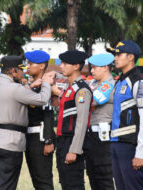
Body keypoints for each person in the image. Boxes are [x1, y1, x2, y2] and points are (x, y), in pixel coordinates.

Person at [0, 55, 53, 190]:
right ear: (13, 71)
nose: (23, 73)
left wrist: (31, 85)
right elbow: (42, 99)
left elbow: (13, 95)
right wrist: (45, 83)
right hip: (10, 143)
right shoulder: (15, 88)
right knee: (6, 184)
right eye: (21, 70)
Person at [107, 40, 143, 190]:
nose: (115, 57)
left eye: (119, 54)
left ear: (131, 57)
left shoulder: (139, 82)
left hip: (130, 145)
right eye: (115, 54)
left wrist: (140, 151)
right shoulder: (120, 81)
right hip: (116, 142)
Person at [52, 50, 92, 190]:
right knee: (66, 183)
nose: (61, 66)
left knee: (74, 184)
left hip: (72, 142)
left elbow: (82, 122)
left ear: (76, 66)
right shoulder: (71, 88)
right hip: (63, 141)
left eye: (64, 63)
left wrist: (74, 150)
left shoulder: (81, 90)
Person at [25, 50, 55, 190]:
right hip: (30, 137)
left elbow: (48, 112)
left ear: (42, 66)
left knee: (43, 181)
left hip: (41, 137)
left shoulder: (46, 86)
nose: (27, 66)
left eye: (31, 63)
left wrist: (48, 140)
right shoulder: (33, 85)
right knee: (36, 179)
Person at [85, 53, 115, 190]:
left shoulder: (109, 85)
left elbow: (91, 102)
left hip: (102, 134)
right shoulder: (93, 83)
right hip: (91, 133)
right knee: (92, 174)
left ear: (105, 68)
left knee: (103, 175)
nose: (91, 71)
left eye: (94, 68)